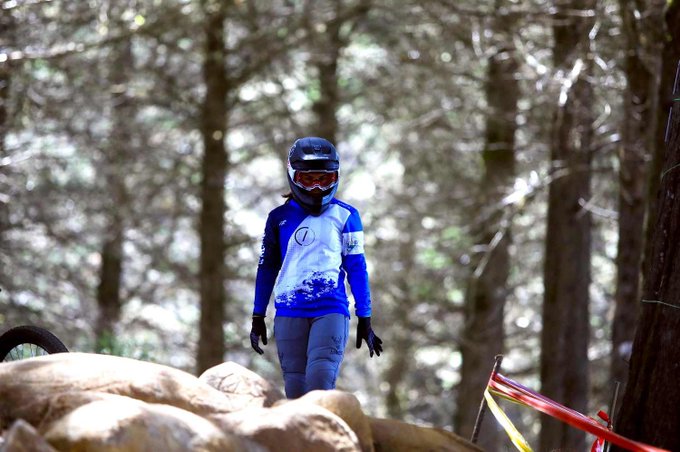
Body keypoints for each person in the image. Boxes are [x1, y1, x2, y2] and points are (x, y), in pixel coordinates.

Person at [249, 136, 383, 399]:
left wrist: (365, 316)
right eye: (308, 180)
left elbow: (357, 267)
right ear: (292, 176)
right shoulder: (278, 218)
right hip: (289, 311)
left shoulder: (346, 216)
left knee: (320, 382)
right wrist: (257, 315)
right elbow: (267, 268)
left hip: (330, 310)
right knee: (296, 390)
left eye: (325, 179)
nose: (317, 188)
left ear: (336, 177)